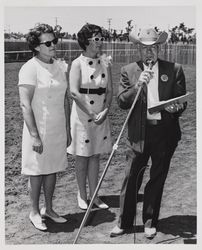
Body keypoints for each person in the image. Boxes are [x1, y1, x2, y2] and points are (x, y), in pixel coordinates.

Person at [110, 28, 186, 238]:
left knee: (157, 178)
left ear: (159, 48)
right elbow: (122, 102)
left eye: (153, 47)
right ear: (138, 49)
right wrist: (138, 85)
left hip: (165, 134)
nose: (149, 52)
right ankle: (124, 222)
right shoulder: (129, 70)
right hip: (138, 135)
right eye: (145, 48)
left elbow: (181, 100)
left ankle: (150, 222)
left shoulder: (174, 69)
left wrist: (175, 108)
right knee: (131, 176)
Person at [18, 23, 71, 231]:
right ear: (37, 46)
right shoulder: (29, 68)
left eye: (54, 41)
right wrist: (35, 135)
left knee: (52, 169)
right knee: (37, 170)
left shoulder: (59, 66)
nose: (53, 45)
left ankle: (49, 209)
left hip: (57, 128)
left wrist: (67, 129)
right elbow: (24, 104)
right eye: (48, 43)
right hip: (38, 129)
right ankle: (34, 211)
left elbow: (65, 100)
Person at [67, 24, 113, 210]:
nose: (100, 42)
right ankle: (82, 194)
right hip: (83, 114)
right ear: (86, 41)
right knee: (83, 156)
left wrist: (106, 110)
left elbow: (110, 90)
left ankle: (95, 195)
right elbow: (74, 93)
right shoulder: (77, 63)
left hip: (101, 114)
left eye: (101, 38)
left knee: (95, 155)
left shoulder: (105, 62)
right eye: (96, 39)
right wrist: (93, 113)